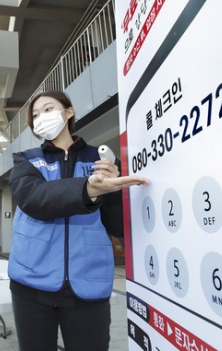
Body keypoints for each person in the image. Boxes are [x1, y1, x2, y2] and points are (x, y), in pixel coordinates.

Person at [8, 90, 148, 351]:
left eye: (48, 109)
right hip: (31, 284)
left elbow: (118, 226)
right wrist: (88, 189)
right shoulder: (26, 160)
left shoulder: (100, 160)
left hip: (89, 285)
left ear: (68, 112)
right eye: (35, 116)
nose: (41, 118)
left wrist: (114, 189)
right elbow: (33, 199)